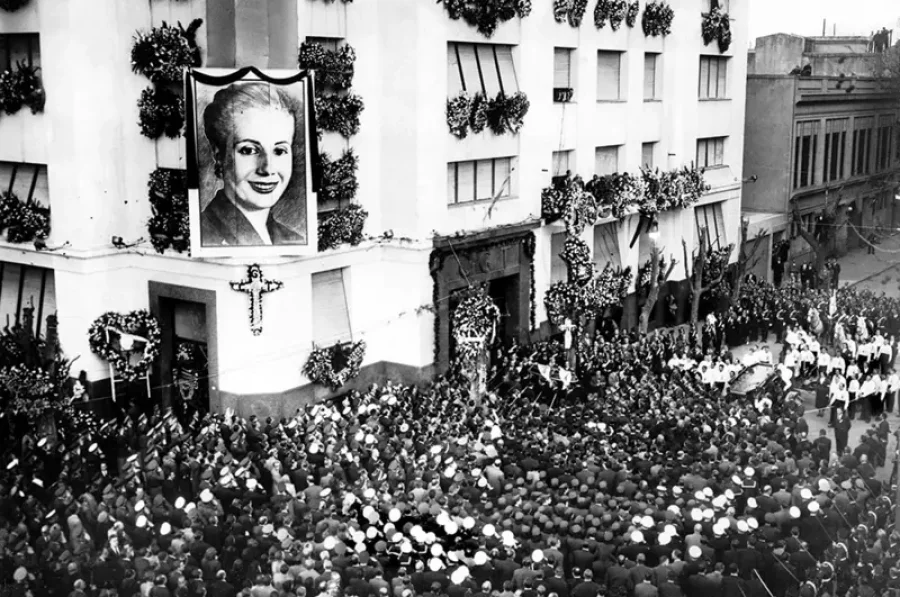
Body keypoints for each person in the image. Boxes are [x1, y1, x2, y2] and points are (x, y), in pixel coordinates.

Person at [200, 81, 306, 247]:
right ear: (219, 156)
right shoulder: (205, 236)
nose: (268, 169)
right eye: (249, 150)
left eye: (279, 151)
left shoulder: (295, 239)